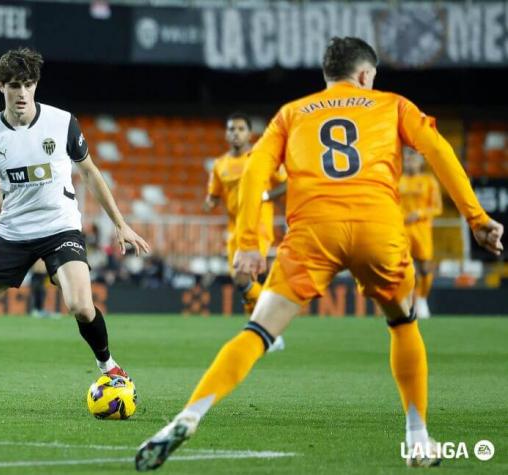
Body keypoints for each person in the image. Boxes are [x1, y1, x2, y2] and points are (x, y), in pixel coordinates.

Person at [135, 37, 503, 470]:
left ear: (327, 75)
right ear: (365, 75)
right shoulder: (393, 105)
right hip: (377, 228)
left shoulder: (292, 113)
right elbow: (438, 151)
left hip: (313, 232)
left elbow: (255, 171)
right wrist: (476, 219)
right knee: (403, 322)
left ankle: (189, 414)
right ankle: (418, 437)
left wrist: (251, 243)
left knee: (258, 331)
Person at [0, 47, 150, 411]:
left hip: (60, 228)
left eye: (29, 84)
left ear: (36, 85)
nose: (22, 93)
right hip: (13, 233)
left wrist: (121, 224)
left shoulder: (62, 122)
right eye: (14, 85)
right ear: (1, 85)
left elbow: (90, 172)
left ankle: (110, 367)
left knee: (82, 306)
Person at [203, 113, 286, 317]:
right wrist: (210, 202)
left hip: (258, 226)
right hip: (235, 229)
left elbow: (287, 182)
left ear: (249, 134)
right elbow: (213, 195)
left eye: (241, 129)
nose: (236, 133)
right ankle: (259, 326)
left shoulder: (260, 159)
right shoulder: (219, 165)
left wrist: (266, 195)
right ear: (226, 134)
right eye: (232, 129)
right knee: (241, 281)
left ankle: (268, 322)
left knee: (243, 276)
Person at [399, 148, 442, 318]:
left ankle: (423, 298)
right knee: (405, 268)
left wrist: (420, 213)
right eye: (408, 158)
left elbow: (437, 207)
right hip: (402, 230)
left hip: (422, 231)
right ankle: (408, 302)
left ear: (421, 161)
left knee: (424, 268)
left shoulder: (429, 181)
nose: (410, 161)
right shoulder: (398, 181)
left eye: (414, 158)